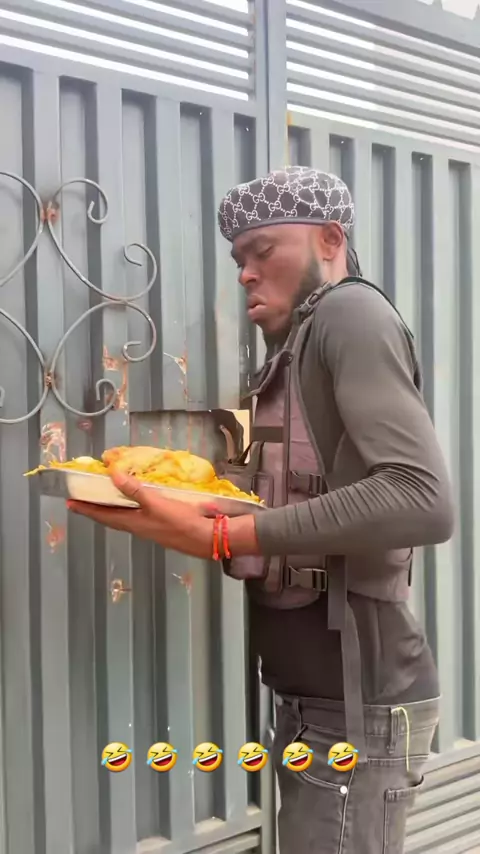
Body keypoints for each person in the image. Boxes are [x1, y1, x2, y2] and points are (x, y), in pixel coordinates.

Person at [68, 167, 454, 853]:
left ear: (330, 240)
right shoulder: (296, 342)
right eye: (238, 258)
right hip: (316, 704)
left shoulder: (349, 314)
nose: (245, 272)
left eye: (263, 250)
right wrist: (173, 503)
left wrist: (229, 536)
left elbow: (419, 496)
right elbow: (289, 497)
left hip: (356, 710)